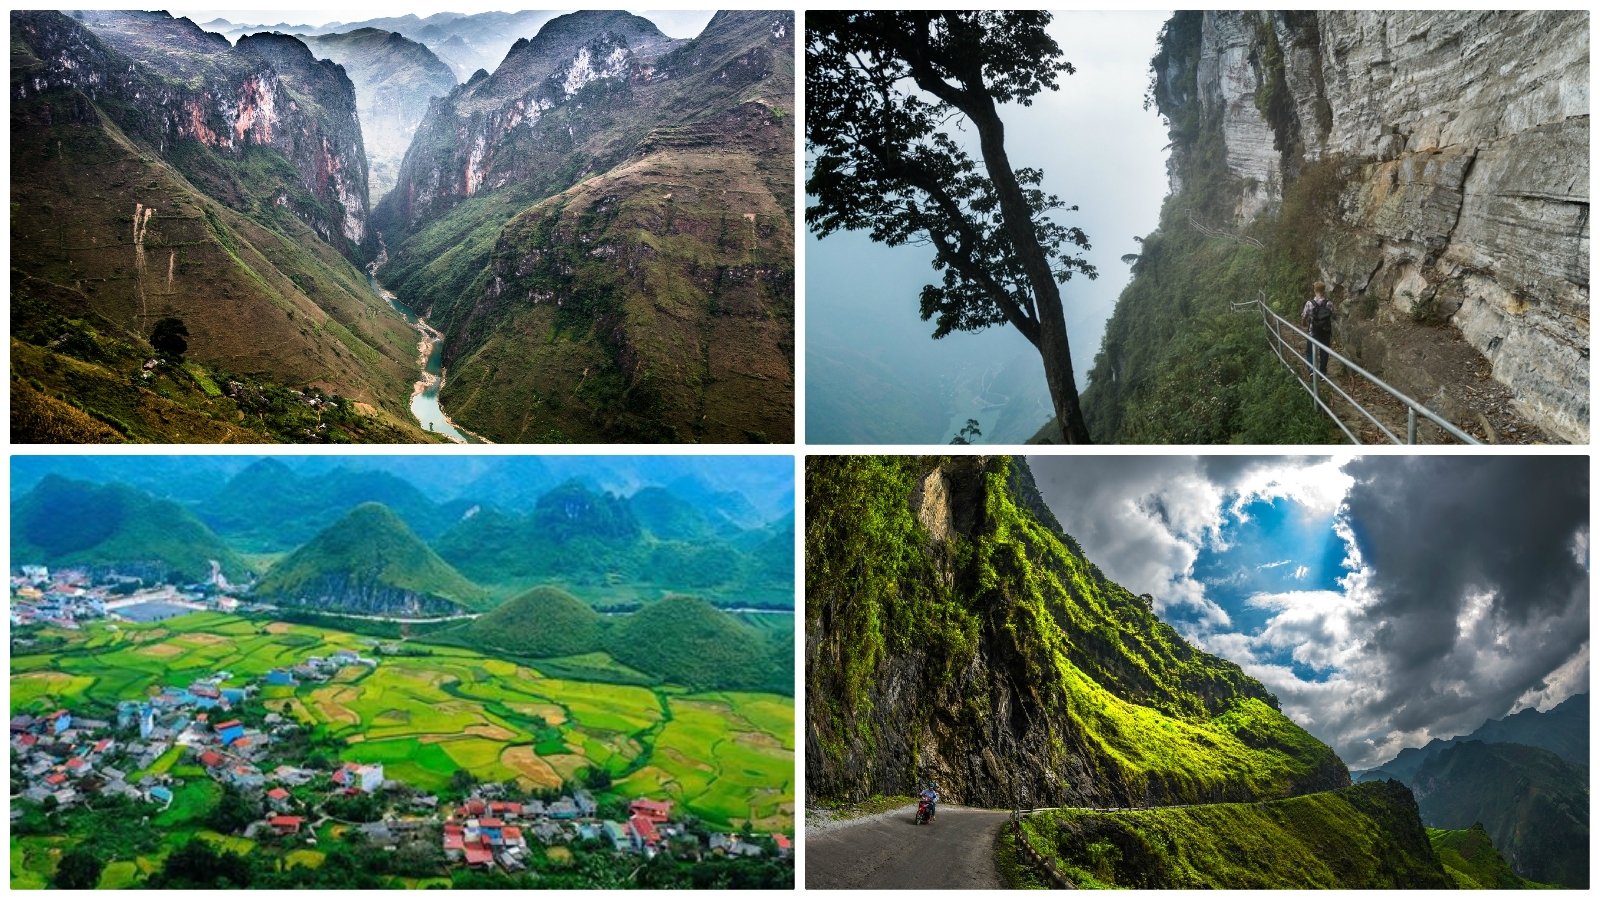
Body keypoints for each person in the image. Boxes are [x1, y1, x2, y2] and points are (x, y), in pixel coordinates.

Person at [1301, 281, 1334, 379]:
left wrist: (1303, 323)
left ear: (1314, 290)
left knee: (1310, 352)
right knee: (1324, 352)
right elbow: (1335, 315)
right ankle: (1322, 373)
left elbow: (1304, 316)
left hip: (1313, 331)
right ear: (1324, 291)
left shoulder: (1309, 303)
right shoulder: (1329, 303)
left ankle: (1311, 370)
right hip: (1325, 332)